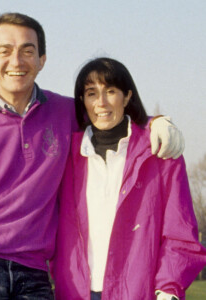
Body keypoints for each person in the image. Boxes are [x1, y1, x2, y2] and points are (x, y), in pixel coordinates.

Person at [0, 13, 184, 299]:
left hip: (34, 267)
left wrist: (156, 123)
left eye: (28, 50)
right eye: (5, 51)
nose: (17, 61)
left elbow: (109, 116)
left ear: (42, 60)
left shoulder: (64, 113)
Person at [50, 57, 206, 300]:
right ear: (82, 101)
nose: (101, 102)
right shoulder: (64, 155)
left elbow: (180, 232)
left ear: (127, 96)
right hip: (74, 293)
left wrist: (169, 289)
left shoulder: (159, 154)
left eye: (110, 91)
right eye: (92, 93)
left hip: (138, 293)